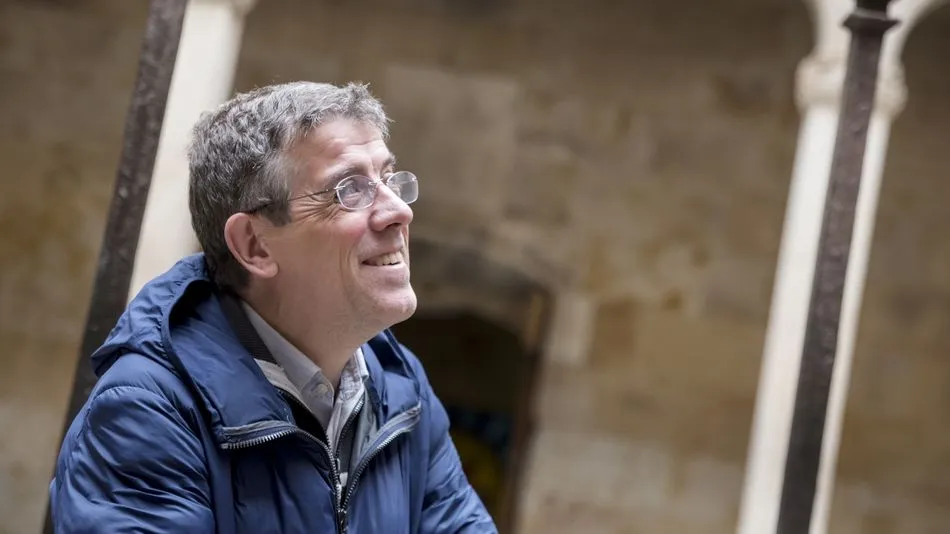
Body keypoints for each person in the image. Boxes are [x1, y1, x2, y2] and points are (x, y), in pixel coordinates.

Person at [49, 81, 496, 533]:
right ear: (254, 245)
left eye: (388, 177)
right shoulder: (149, 409)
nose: (399, 210)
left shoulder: (400, 387)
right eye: (349, 189)